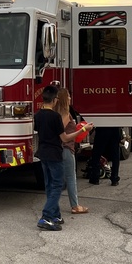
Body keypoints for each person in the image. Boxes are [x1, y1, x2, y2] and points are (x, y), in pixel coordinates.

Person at [34, 84, 77, 230]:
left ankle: (55, 214)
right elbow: (64, 139)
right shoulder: (56, 116)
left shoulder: (38, 115)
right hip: (54, 153)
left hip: (43, 153)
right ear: (54, 100)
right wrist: (82, 130)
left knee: (49, 184)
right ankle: (46, 216)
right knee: (57, 184)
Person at [55, 87, 92, 214]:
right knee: (70, 177)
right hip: (66, 148)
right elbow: (61, 131)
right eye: (69, 96)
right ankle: (75, 206)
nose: (70, 98)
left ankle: (53, 205)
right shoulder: (65, 113)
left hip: (58, 149)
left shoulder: (56, 112)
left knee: (57, 179)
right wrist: (83, 129)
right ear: (65, 99)